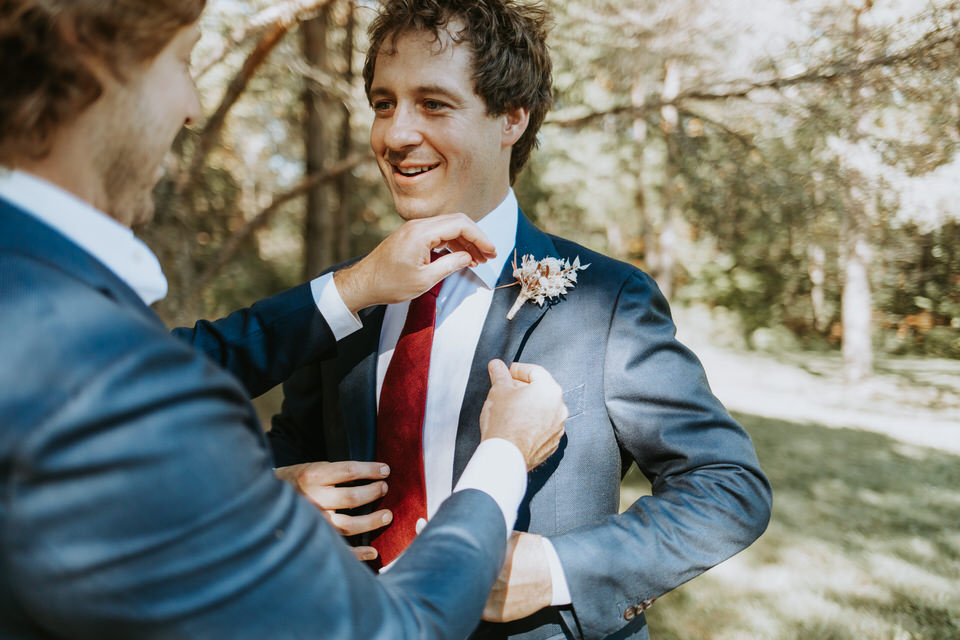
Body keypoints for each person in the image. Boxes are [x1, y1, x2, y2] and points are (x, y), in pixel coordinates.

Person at [0, 1, 568, 637]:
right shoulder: (99, 365)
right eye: (183, 62)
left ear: (511, 119)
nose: (192, 107)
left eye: (433, 103)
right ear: (92, 63)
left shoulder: (36, 297)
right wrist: (503, 457)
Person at [268, 1, 773, 638]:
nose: (394, 135)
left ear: (512, 116)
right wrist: (283, 496)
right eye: (383, 102)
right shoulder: (348, 296)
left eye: (433, 103)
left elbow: (727, 485)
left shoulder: (609, 300)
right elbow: (292, 450)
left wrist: (556, 567)